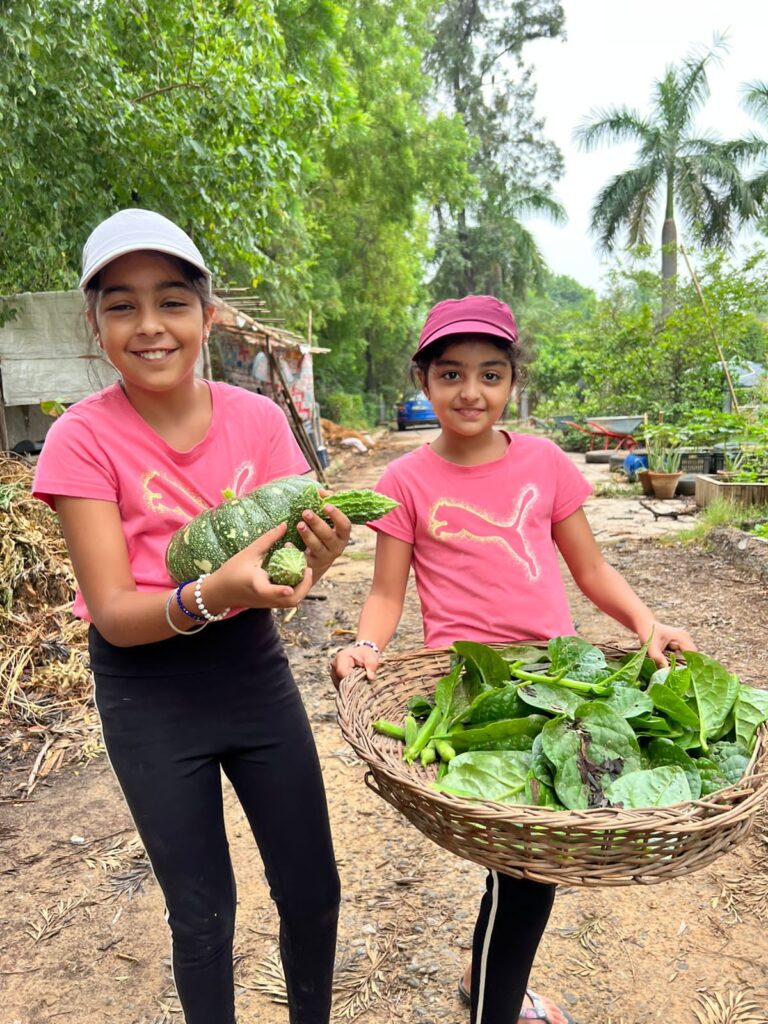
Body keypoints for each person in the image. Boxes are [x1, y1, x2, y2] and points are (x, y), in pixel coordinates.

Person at [331, 294, 695, 1024]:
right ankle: (493, 1009)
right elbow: (385, 591)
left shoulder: (545, 463)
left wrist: (647, 622)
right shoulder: (404, 482)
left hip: (554, 687)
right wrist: (366, 645)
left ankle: (488, 981)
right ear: (424, 379)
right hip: (472, 696)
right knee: (528, 870)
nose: (472, 392)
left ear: (512, 382)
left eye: (491, 374)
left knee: (522, 863)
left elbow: (591, 572)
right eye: (453, 373)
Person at [33, 209, 350, 1024]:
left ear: (208, 315)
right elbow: (110, 612)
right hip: (149, 694)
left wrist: (316, 557)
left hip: (251, 672)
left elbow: (290, 568)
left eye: (172, 301)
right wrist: (217, 593)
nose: (149, 326)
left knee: (313, 892)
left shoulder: (259, 419)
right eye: (121, 304)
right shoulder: (79, 439)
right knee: (203, 915)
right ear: (93, 322)